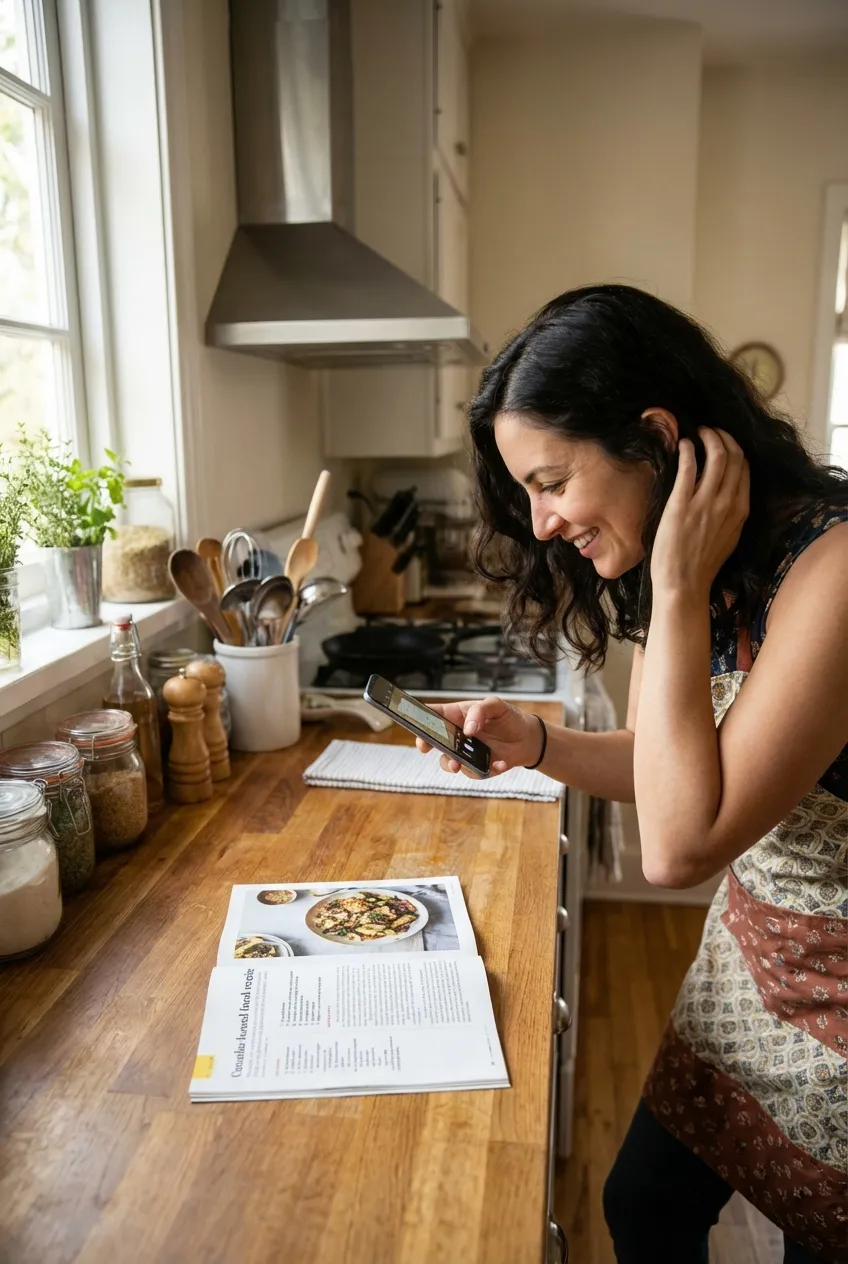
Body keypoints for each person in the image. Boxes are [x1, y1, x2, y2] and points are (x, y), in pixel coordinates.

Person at [414, 285, 848, 1263]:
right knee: (643, 1203)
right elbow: (672, 768)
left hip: (838, 1010)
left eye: (551, 481)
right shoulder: (683, 565)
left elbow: (677, 846)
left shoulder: (831, 571)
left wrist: (677, 586)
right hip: (748, 964)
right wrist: (536, 744)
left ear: (652, 438)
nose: (540, 522)